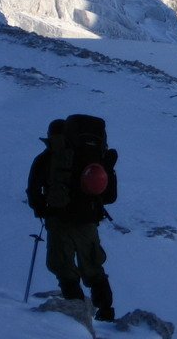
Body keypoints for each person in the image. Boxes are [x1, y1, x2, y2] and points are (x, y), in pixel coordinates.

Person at [26, 117, 118, 322]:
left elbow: (33, 189)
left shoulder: (47, 157)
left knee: (64, 269)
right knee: (94, 268)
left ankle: (76, 318)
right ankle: (106, 314)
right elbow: (110, 196)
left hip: (58, 220)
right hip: (87, 220)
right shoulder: (93, 159)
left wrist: (43, 210)